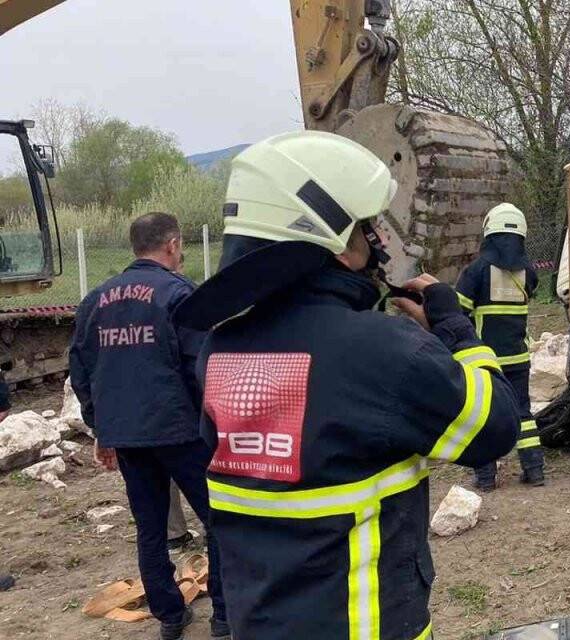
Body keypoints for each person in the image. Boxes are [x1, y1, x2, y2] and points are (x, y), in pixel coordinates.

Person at [172, 130, 520, 639]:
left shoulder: (220, 351)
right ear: (336, 241)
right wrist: (454, 330)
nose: (379, 239)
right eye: (369, 226)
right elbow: (496, 427)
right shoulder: (384, 349)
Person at [68, 212, 227, 640]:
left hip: (128, 436)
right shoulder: (179, 294)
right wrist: (213, 423)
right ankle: (225, 617)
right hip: (181, 431)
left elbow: (81, 370)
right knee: (218, 519)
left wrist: (101, 427)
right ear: (173, 244)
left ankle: (171, 616)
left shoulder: (95, 300)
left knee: (151, 528)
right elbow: (202, 364)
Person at [455, 203, 545, 491]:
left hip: (485, 359)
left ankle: (485, 478)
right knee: (523, 414)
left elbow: (457, 312)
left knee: (484, 414)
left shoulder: (477, 270)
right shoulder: (528, 272)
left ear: (488, 232)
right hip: (518, 357)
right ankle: (534, 470)